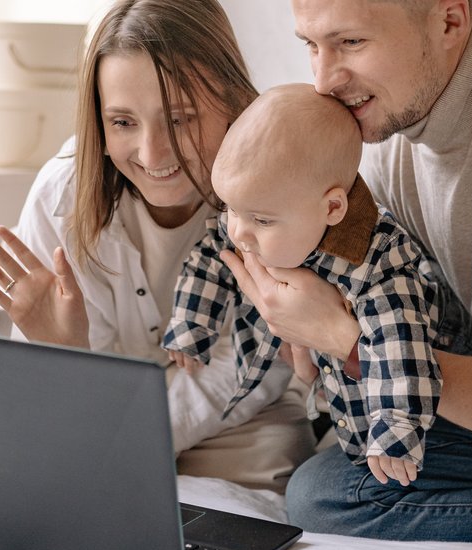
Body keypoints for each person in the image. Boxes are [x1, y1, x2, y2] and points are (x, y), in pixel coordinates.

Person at [225, 0, 472, 543]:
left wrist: (346, 342)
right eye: (311, 46)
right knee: (325, 492)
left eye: (351, 43)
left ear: (450, 20)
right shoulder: (390, 136)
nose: (324, 80)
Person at [0, 0, 316, 493]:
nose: (153, 153)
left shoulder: (279, 195)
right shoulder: (62, 195)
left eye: (180, 119)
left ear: (234, 101)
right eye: (123, 122)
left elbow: (243, 371)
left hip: (237, 422)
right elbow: (70, 388)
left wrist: (129, 441)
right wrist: (66, 353)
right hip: (98, 413)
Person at [164, 83, 441, 487]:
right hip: (338, 403)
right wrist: (192, 323)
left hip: (423, 417)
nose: (239, 232)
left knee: (317, 495)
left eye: (260, 219)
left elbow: (402, 355)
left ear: (331, 208)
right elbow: (210, 259)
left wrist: (395, 432)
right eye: (229, 208)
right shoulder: (258, 219)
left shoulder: (378, 267)